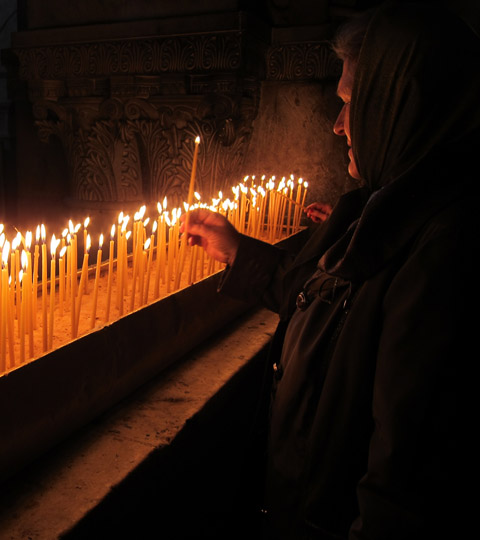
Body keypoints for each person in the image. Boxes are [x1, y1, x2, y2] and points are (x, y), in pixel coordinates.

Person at [183, 2, 479, 538]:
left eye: (351, 104)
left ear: (398, 106)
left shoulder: (443, 250)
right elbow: (319, 300)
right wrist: (237, 251)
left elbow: (403, 483)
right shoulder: (378, 208)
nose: (337, 125)